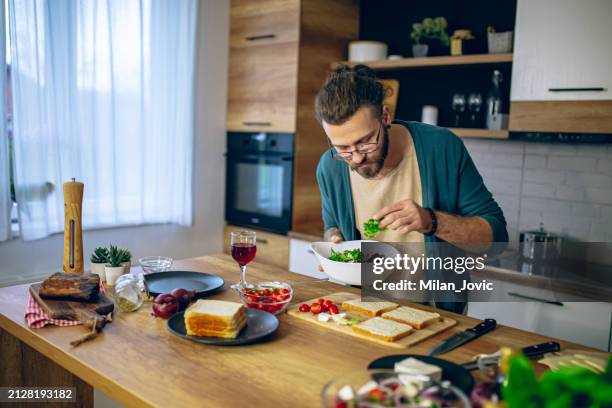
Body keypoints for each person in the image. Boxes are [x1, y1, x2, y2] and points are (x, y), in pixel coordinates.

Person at [314, 65, 508, 313]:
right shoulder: (330, 166)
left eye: (365, 142)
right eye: (343, 148)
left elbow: (496, 240)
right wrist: (336, 245)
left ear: (385, 117)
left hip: (437, 314)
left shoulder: (441, 147)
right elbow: (332, 227)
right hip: (360, 310)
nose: (357, 159)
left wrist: (431, 221)